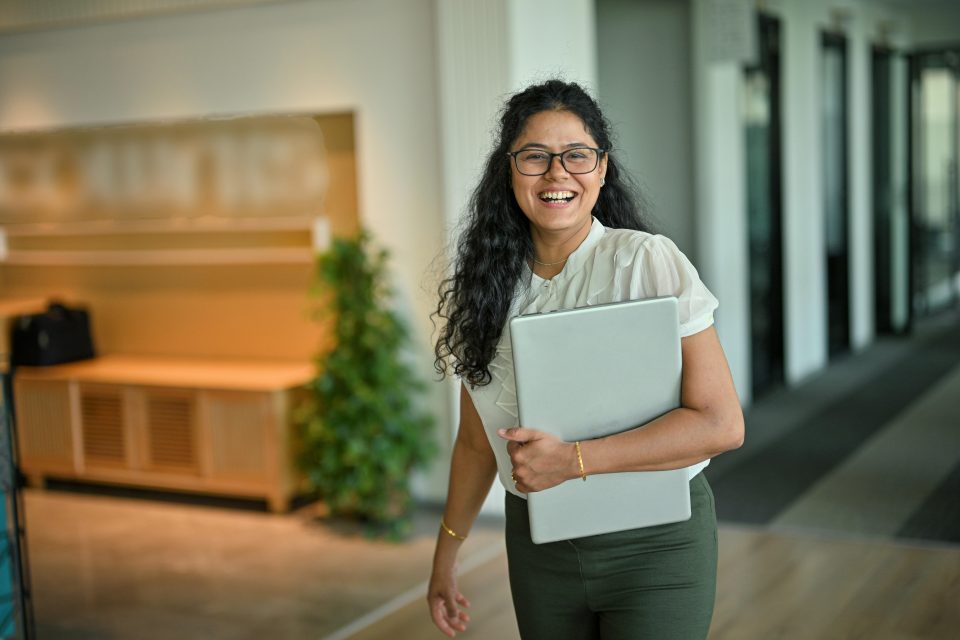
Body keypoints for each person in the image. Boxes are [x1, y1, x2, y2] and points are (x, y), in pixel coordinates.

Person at [427, 79, 744, 640]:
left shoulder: (647, 262)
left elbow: (721, 424)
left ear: (601, 169)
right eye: (535, 157)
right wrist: (445, 556)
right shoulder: (488, 289)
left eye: (577, 155)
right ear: (509, 170)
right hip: (540, 550)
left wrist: (573, 459)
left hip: (658, 545)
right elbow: (477, 443)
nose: (557, 174)